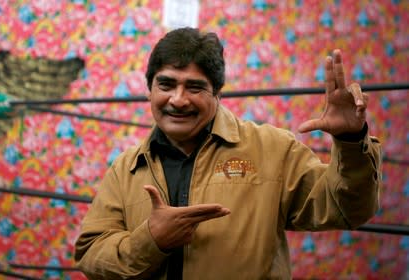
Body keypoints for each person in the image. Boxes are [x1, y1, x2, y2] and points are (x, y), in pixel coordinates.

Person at [74, 27, 381, 279]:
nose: (178, 100)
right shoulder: (127, 167)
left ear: (218, 94)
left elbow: (347, 209)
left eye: (194, 88)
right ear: (149, 90)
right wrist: (151, 241)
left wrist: (351, 139)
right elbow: (90, 256)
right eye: (166, 84)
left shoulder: (273, 149)